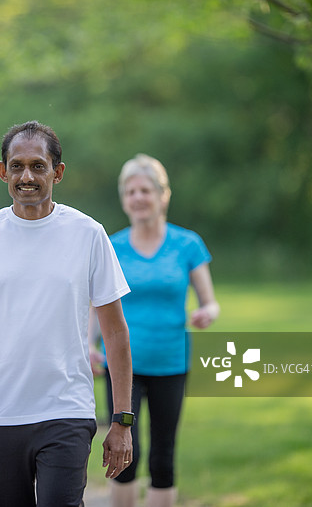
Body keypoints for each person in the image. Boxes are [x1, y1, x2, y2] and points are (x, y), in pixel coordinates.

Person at [0, 120, 135, 507]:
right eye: (18, 165)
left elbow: (115, 333)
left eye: (38, 166)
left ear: (57, 172)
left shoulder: (88, 234)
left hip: (66, 410)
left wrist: (122, 419)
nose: (27, 176)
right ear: (2, 171)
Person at [91, 154, 220, 507]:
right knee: (122, 451)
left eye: (145, 190)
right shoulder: (111, 246)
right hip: (122, 367)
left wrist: (206, 312)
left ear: (164, 195)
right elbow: (95, 304)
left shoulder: (187, 244)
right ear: (123, 199)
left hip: (170, 362)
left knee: (163, 454)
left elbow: (210, 301)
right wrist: (89, 344)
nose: (138, 198)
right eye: (130, 191)